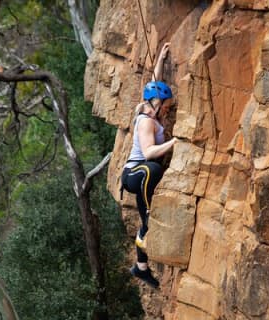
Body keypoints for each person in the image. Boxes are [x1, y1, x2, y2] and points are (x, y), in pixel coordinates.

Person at [121, 43, 177, 288]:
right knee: (152, 167)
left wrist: (161, 59)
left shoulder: (150, 109)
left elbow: (154, 84)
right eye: (164, 106)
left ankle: (140, 267)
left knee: (154, 171)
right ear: (154, 103)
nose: (166, 110)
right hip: (134, 173)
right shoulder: (145, 122)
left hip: (142, 176)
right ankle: (147, 218)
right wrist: (175, 141)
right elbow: (148, 152)